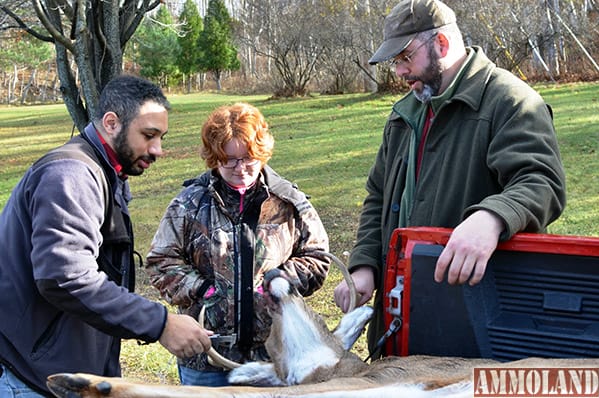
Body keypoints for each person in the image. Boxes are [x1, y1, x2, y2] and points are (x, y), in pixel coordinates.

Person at [334, 0, 566, 359]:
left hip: (474, 319)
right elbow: (378, 195)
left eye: (405, 57)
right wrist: (365, 265)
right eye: (395, 61)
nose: (398, 71)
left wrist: (491, 219)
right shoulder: (404, 115)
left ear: (441, 44)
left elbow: (540, 181)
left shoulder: (511, 101)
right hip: (403, 317)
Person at [0, 75, 212, 397]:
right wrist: (160, 324)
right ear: (111, 123)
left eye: (161, 137)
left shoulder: (106, 172)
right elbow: (65, 277)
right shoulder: (71, 174)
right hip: (30, 377)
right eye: (149, 135)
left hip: (61, 371)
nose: (158, 150)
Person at [146, 102, 330, 387]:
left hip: (276, 357)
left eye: (248, 158)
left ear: (261, 153)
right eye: (228, 159)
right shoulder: (189, 204)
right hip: (206, 359)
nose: (240, 168)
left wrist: (281, 281)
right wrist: (203, 289)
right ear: (213, 158)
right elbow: (161, 262)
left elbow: (317, 256)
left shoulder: (289, 201)